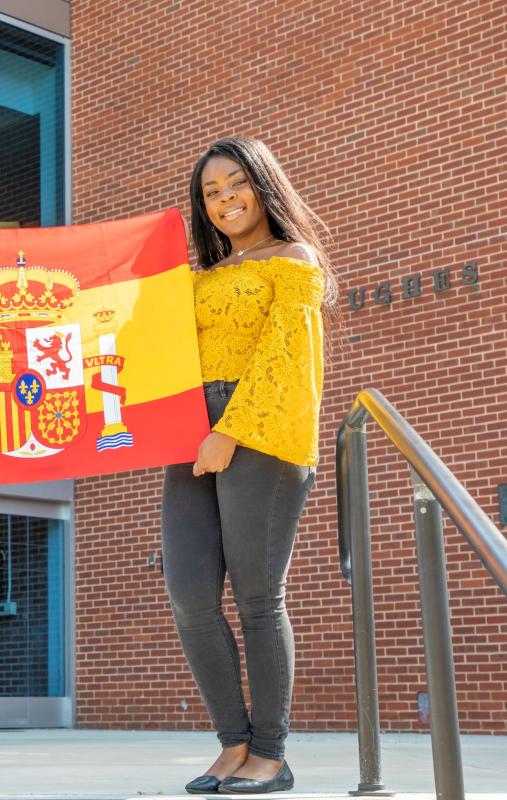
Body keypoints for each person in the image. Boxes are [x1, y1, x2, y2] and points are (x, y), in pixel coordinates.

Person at [162, 136, 336, 795]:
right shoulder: (198, 277)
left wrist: (229, 432)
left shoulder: (294, 260)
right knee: (189, 595)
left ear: (264, 186)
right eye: (211, 192)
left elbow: (285, 361)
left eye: (236, 183)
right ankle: (233, 745)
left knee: (259, 598)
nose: (225, 198)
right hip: (190, 434)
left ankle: (271, 753)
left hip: (262, 432)